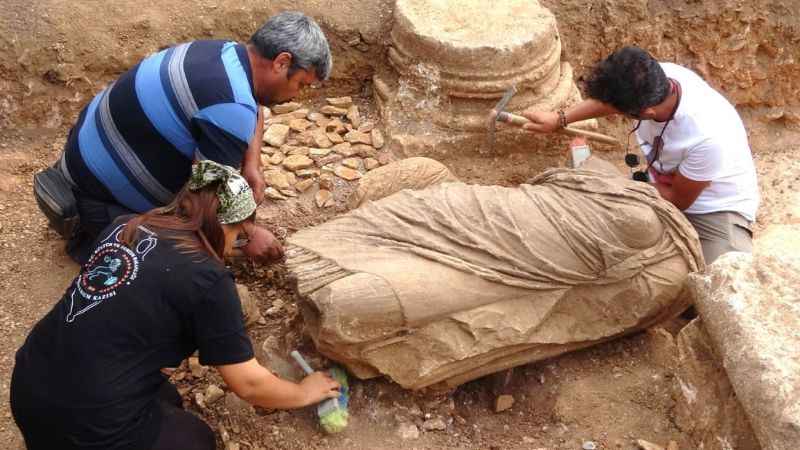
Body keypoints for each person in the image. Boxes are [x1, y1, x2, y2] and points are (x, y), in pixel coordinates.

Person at [11, 160, 341, 450]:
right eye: (239, 235)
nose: (236, 245)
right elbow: (249, 383)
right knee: (196, 439)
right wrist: (303, 393)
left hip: (29, 386)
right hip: (86, 427)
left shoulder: (126, 226)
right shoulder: (208, 279)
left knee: (167, 398)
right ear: (230, 226)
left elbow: (114, 301)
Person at [52, 11, 331, 264]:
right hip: (97, 208)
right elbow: (201, 206)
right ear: (282, 63)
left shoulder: (225, 53)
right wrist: (246, 234)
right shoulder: (231, 108)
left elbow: (252, 105)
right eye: (301, 85)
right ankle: (92, 237)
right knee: (193, 264)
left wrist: (251, 165)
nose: (296, 95)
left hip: (73, 169)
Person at [514, 46, 759, 264]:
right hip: (661, 184)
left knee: (717, 283)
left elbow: (678, 200)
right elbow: (610, 101)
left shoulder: (708, 136)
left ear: (646, 112)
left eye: (621, 111)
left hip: (712, 208)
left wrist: (613, 185)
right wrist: (560, 119)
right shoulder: (656, 78)